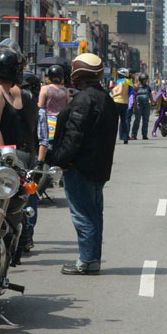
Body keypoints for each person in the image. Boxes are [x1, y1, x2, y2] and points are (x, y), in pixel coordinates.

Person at [47, 53, 117, 275]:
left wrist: (60, 160)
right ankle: (92, 259)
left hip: (81, 167)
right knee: (94, 214)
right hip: (98, 167)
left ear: (79, 73)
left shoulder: (84, 100)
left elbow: (74, 136)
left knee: (83, 216)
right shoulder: (105, 98)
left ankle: (86, 261)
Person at [0, 49, 32, 152]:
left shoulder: (5, 92)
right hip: (4, 156)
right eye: (18, 69)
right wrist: (4, 157)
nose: (20, 73)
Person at [111, 69, 133, 144]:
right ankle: (125, 137)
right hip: (125, 103)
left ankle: (112, 138)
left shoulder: (121, 82)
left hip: (117, 102)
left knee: (115, 121)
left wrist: (112, 95)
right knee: (123, 121)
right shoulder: (127, 82)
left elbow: (120, 92)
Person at [131, 74, 152, 139]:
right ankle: (134, 135)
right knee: (137, 120)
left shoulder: (148, 87)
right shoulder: (137, 87)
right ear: (141, 80)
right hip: (139, 105)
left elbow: (150, 95)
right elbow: (133, 96)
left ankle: (144, 135)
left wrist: (153, 102)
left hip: (146, 105)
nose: (146, 81)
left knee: (146, 120)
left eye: (146, 79)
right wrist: (134, 105)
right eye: (145, 79)